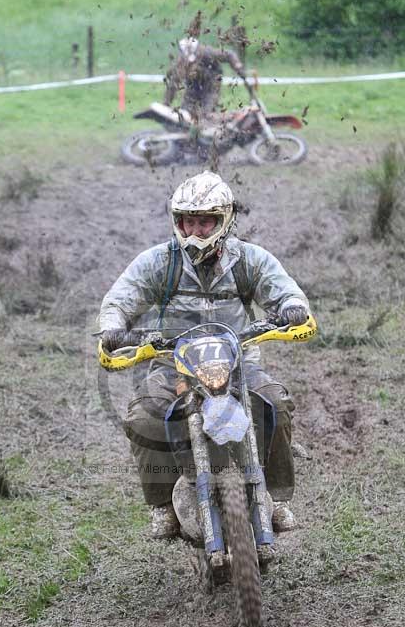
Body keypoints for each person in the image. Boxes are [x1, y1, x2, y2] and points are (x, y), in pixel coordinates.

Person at [99, 171, 310, 540]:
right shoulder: (158, 262)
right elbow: (120, 297)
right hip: (173, 365)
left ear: (224, 220)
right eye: (188, 221)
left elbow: (284, 290)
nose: (196, 230)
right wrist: (114, 328)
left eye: (205, 221)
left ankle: (275, 499)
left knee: (275, 404)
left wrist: (292, 307)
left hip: (239, 361)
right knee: (144, 417)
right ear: (177, 221)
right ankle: (162, 503)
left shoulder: (250, 260)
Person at [164, 37, 245, 121]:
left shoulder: (207, 53)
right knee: (185, 114)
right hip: (193, 86)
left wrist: (237, 65)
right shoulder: (180, 64)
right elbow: (173, 85)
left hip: (211, 84)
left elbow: (229, 55)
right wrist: (166, 104)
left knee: (205, 115)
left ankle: (234, 116)